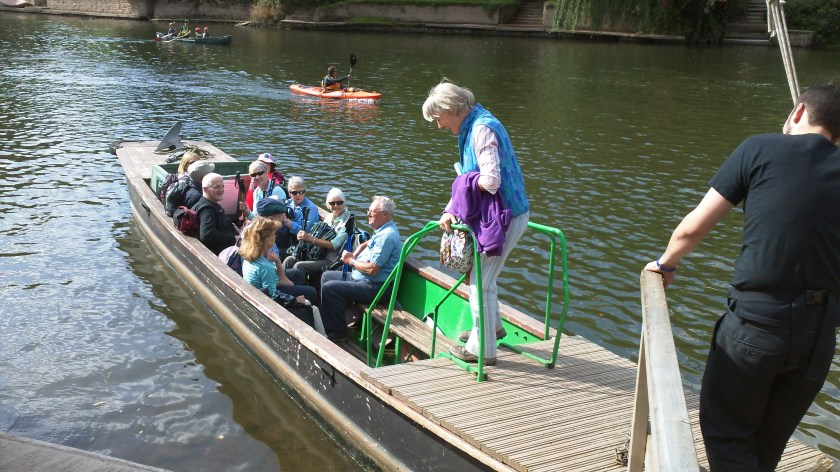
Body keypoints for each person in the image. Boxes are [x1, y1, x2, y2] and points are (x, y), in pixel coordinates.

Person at [644, 84, 840, 471]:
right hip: (818, 336)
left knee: (728, 437)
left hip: (757, 325)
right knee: (766, 447)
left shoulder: (759, 148)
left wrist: (664, 266)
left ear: (798, 112)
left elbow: (692, 230)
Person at [422, 80, 530, 366]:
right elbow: (470, 176)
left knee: (480, 283)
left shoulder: (481, 129)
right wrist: (450, 210)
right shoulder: (475, 125)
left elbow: (490, 181)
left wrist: (464, 185)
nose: (439, 125)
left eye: (439, 119)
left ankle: (482, 350)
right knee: (483, 278)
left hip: (505, 216)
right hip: (503, 214)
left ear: (452, 109)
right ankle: (492, 329)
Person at [320, 196, 402, 342]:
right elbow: (367, 243)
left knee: (330, 288)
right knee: (326, 276)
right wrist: (355, 253)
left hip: (376, 287)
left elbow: (373, 269)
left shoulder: (387, 237)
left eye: (372, 212)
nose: (368, 214)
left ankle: (338, 334)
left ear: (385, 214)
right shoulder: (383, 230)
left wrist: (351, 261)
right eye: (368, 211)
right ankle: (338, 321)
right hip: (364, 279)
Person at [239, 217, 321, 328]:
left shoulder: (251, 254)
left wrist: (277, 262)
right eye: (275, 234)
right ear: (267, 239)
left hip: (260, 288)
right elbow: (272, 296)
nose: (276, 236)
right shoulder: (265, 266)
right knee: (312, 292)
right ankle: (306, 317)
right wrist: (295, 300)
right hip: (265, 299)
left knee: (298, 274)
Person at [285, 187, 353, 283]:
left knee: (299, 265)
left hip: (330, 259)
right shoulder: (329, 217)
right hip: (317, 253)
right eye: (332, 203)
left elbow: (334, 245)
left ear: (344, 202)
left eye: (339, 202)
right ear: (328, 205)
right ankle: (279, 284)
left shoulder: (348, 222)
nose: (336, 206)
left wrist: (310, 239)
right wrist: (304, 237)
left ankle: (298, 293)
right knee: (290, 259)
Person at [192, 173, 238, 255]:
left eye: (222, 186)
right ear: (205, 189)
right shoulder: (207, 209)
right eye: (217, 187)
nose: (221, 190)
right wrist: (234, 238)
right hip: (221, 255)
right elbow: (207, 235)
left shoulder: (210, 204)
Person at [277, 176, 320, 255]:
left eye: (301, 192)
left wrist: (287, 222)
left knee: (275, 252)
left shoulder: (310, 209)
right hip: (289, 241)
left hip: (304, 246)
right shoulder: (288, 203)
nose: (298, 195)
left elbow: (305, 232)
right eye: (294, 192)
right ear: (289, 193)